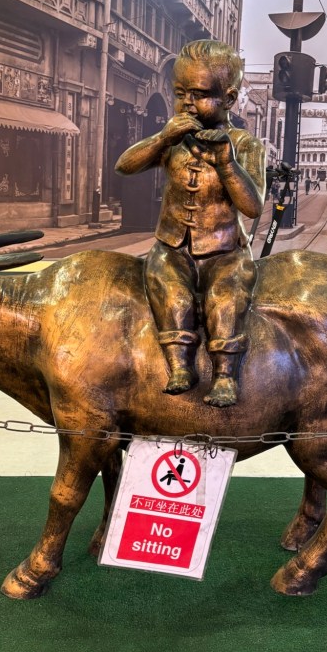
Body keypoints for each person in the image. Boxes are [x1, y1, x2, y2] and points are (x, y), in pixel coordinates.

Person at [115, 40, 266, 407]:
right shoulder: (172, 139)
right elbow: (125, 165)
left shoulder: (244, 143)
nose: (187, 103)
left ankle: (225, 375)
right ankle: (180, 366)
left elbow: (252, 207)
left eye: (199, 95)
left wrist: (227, 163)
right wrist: (162, 138)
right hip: (172, 245)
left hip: (224, 250)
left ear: (229, 99)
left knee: (226, 298)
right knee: (168, 289)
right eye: (180, 93)